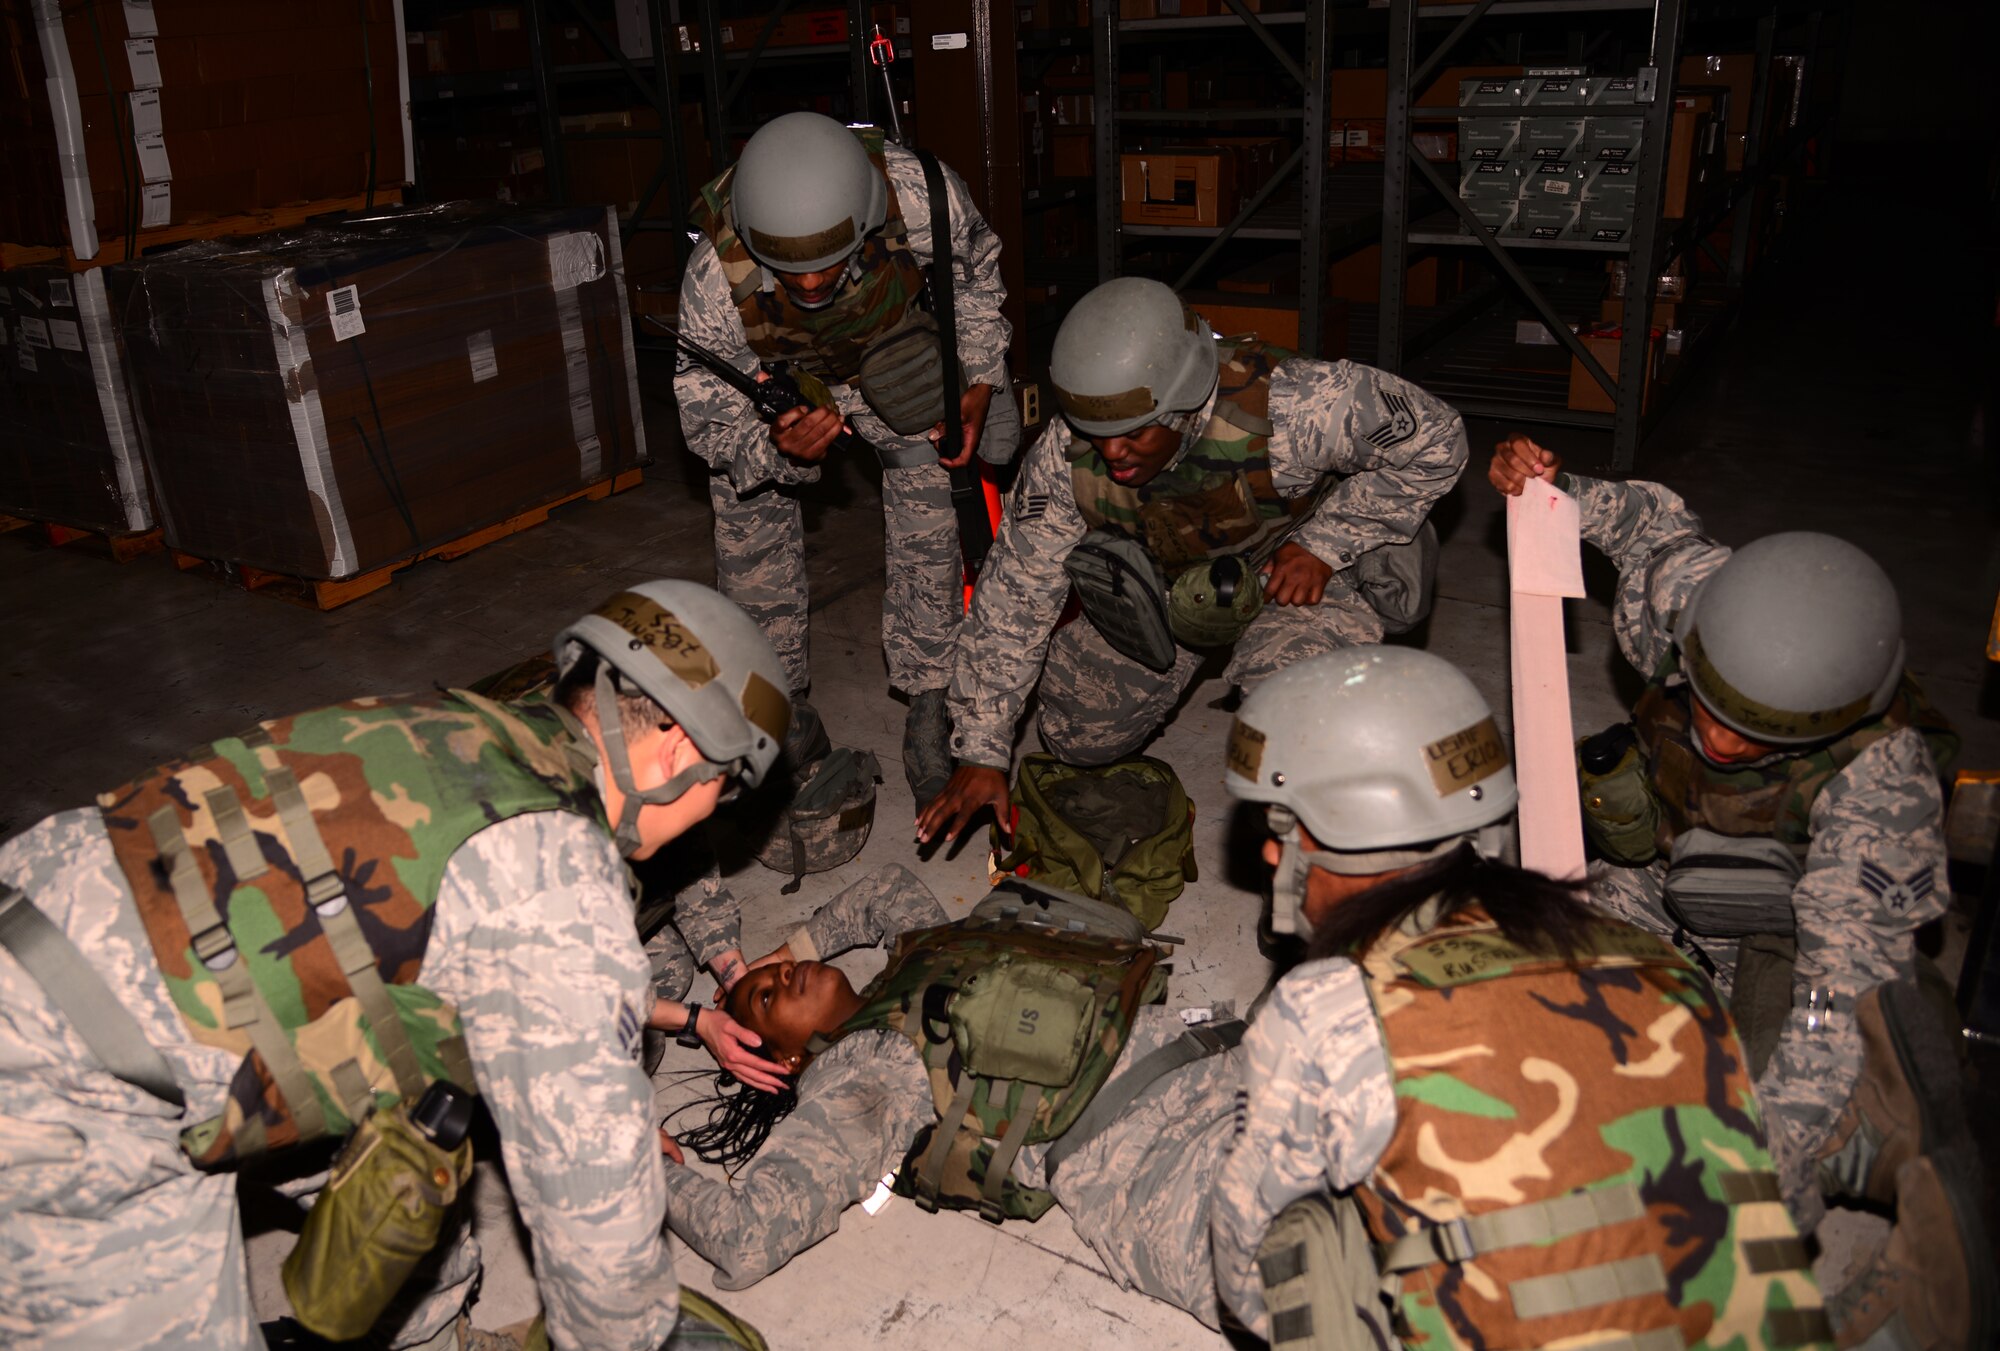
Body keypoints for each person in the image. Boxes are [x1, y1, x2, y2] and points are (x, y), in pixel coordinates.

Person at [0, 581, 787, 1351]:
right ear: (684, 751)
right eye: (721, 791)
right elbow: (597, 1219)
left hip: (47, 908)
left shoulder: (461, 730)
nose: (705, 818)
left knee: (413, 1152)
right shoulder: (560, 884)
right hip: (64, 1081)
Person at [1489, 437, 1992, 1349]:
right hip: (1665, 880)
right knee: (1526, 1007)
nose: (1716, 740)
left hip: (1790, 944)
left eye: (1751, 733)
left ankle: (1882, 1163)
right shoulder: (1705, 607)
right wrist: (1549, 485)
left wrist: (1762, 1155)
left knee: (1737, 1143)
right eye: (1708, 705)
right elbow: (1651, 528)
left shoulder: (1883, 786)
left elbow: (1833, 1007)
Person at [1210, 646, 1833, 1351]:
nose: (1269, 853)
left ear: (1327, 838)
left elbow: (1247, 1272)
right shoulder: (1661, 962)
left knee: (1212, 1187)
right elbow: (1784, 1197)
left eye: (1282, 828)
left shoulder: (1328, 1009)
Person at [917, 276, 1467, 846]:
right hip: (1171, 587)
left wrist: (1326, 543)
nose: (1112, 453)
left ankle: (1311, 856)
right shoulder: (1066, 455)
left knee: (1302, 718)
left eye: (1133, 432)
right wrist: (982, 748)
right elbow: (1017, 592)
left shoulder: (1298, 406)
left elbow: (1437, 439)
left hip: (1292, 577)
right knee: (1075, 731)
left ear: (1182, 400)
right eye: (1096, 431)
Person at [656, 867, 1245, 1329]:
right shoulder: (861, 1075)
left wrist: (783, 952)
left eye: (776, 973)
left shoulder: (914, 969)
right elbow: (746, 1235)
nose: (783, 977)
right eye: (766, 1000)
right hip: (1156, 1165)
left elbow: (888, 890)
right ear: (786, 1059)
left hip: (1217, 1058)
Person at [676, 109, 1022, 803]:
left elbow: (977, 270)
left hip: (887, 356)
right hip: (783, 382)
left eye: (827, 265)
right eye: (790, 270)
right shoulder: (714, 275)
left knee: (933, 462)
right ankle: (776, 705)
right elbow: (703, 416)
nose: (808, 286)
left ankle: (931, 694)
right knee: (744, 501)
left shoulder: (920, 195)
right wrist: (773, 446)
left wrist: (979, 375)